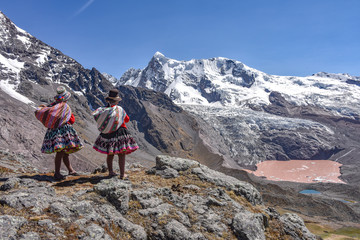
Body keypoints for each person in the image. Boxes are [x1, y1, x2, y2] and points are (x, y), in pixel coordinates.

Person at [93, 89, 139, 179]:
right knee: (121, 154)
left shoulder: (103, 110)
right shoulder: (119, 109)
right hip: (120, 133)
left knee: (110, 154)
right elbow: (127, 119)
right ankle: (122, 174)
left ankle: (110, 172)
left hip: (108, 134)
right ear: (117, 101)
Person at [40, 86, 83, 180]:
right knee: (61, 152)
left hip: (54, 131)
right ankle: (57, 173)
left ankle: (71, 170)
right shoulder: (64, 106)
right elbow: (72, 119)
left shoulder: (52, 106)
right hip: (63, 131)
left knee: (64, 152)